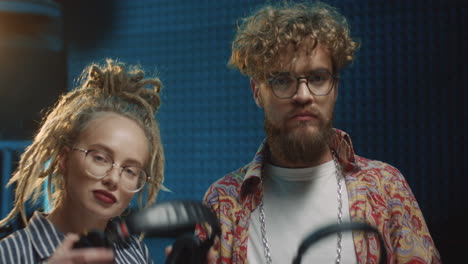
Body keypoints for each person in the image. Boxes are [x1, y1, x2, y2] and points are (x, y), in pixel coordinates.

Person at [196, 2, 441, 264]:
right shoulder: (222, 202)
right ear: (257, 91)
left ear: (335, 87)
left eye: (317, 78)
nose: (303, 95)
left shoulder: (387, 187)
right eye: (282, 80)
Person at [0, 59, 165, 263]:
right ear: (64, 158)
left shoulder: (136, 255)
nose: (113, 179)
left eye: (130, 171)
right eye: (100, 158)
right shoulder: (8, 255)